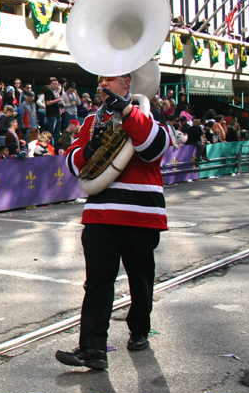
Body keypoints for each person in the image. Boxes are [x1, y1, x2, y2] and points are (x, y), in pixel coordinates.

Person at [56, 74, 171, 370]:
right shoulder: (91, 122)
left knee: (140, 278)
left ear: (127, 84)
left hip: (141, 214)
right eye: (101, 79)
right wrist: (87, 152)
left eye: (112, 79)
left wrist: (128, 112)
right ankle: (92, 349)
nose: (104, 84)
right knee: (96, 283)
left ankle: (140, 329)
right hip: (101, 212)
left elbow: (155, 148)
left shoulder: (145, 112)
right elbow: (71, 161)